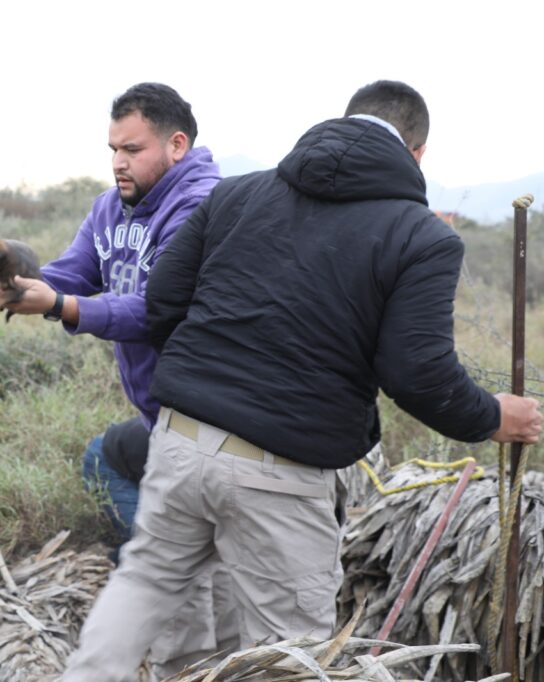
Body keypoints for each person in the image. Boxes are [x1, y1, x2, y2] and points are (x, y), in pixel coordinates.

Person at [61, 80, 544, 681]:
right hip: (282, 472)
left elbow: (161, 303)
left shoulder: (236, 196)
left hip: (180, 442)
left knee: (144, 587)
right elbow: (416, 374)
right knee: (286, 657)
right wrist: (495, 416)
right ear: (417, 153)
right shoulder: (422, 236)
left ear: (343, 123)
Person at [0, 82, 234, 675]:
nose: (118, 163)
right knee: (103, 458)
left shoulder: (205, 208)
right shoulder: (110, 206)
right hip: (162, 416)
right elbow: (71, 272)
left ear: (177, 144)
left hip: (212, 424)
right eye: (112, 149)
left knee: (180, 571)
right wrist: (10, 278)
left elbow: (158, 310)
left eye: (132, 149)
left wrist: (59, 308)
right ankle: (176, 576)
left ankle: (181, 583)